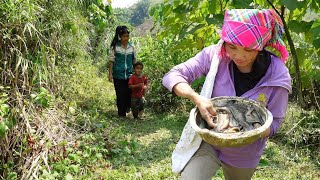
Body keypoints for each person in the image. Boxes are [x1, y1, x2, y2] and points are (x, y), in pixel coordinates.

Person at [162, 9, 292, 180]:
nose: (239, 55)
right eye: (232, 46)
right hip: (208, 142)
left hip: (244, 155)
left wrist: (248, 133)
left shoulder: (277, 75)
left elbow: (274, 122)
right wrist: (196, 98)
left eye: (248, 49)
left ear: (261, 45)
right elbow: (173, 76)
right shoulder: (215, 56)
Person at [108, 26, 136, 117]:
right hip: (118, 75)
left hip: (129, 74)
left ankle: (127, 107)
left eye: (127, 36)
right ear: (120, 36)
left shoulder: (131, 47)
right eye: (124, 36)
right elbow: (111, 61)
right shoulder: (115, 47)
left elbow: (134, 61)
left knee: (128, 93)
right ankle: (121, 113)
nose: (126, 38)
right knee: (120, 94)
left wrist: (136, 74)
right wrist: (110, 74)